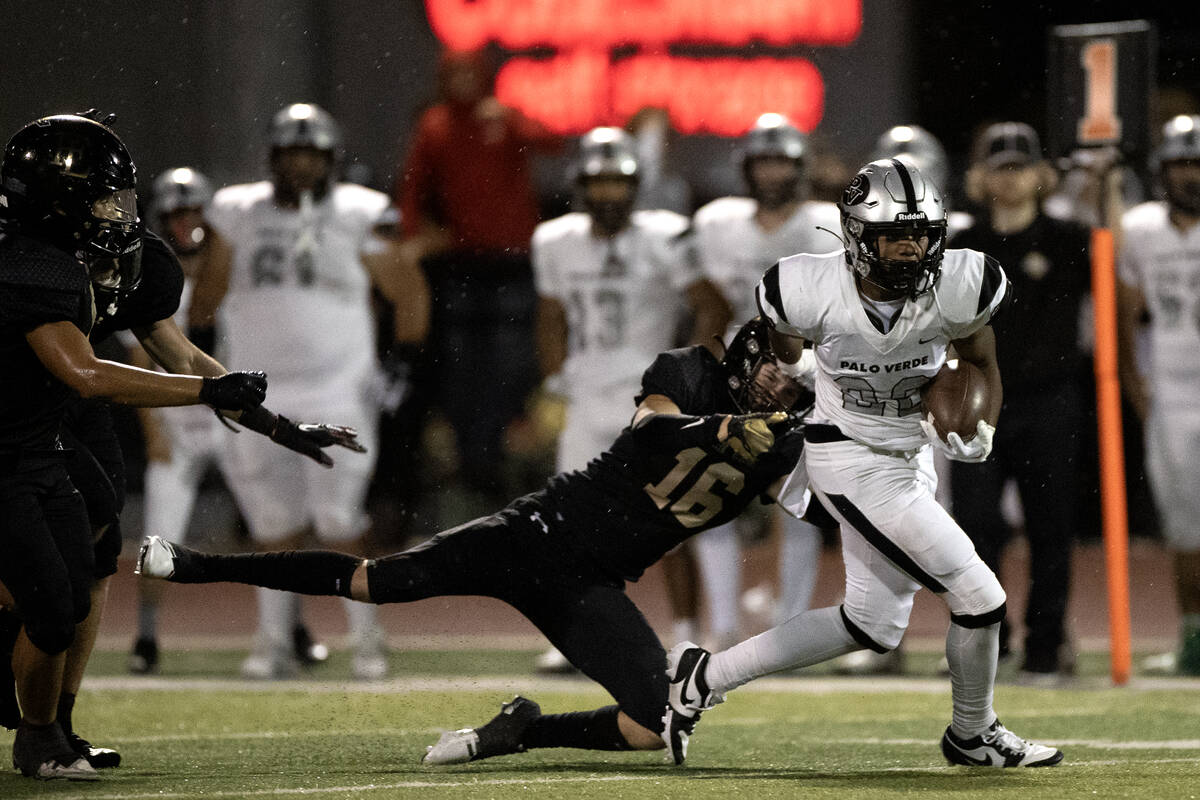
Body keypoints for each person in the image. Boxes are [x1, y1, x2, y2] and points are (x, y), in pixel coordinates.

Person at [135, 319, 814, 767]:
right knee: (377, 581)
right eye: (778, 370)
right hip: (536, 534)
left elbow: (815, 495)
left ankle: (521, 730)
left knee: (653, 723)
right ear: (748, 351)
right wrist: (720, 432)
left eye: (796, 383)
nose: (781, 386)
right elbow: (650, 433)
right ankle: (198, 564)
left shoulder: (781, 449)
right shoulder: (688, 372)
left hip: (589, 582)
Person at [664, 159, 1065, 768]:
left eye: (922, 235)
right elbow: (783, 350)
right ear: (854, 236)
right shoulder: (804, 287)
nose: (910, 249)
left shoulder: (962, 283)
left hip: (911, 455)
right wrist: (793, 373)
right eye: (893, 237)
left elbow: (981, 360)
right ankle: (972, 732)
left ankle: (704, 677)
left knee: (871, 623)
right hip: (847, 457)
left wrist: (982, 423)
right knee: (980, 598)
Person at [0, 113, 269, 781]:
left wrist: (260, 411)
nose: (120, 212)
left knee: (86, 564)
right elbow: (89, 375)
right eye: (103, 198)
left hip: (43, 436)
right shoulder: (28, 269)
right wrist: (208, 396)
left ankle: (48, 731)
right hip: (10, 445)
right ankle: (35, 717)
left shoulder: (88, 259)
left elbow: (163, 344)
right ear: (58, 204)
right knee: (46, 599)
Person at [205, 102, 429, 680]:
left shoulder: (360, 212)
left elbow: (409, 293)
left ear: (331, 160)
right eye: (292, 154)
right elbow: (206, 297)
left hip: (337, 386)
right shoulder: (235, 211)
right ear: (273, 158)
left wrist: (402, 363)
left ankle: (367, 640)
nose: (301, 166)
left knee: (338, 519)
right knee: (271, 524)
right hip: (256, 391)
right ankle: (275, 640)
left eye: (312, 155)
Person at [529, 127, 729, 673]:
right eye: (600, 183)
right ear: (580, 185)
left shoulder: (666, 235)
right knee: (569, 524)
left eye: (619, 184)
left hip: (651, 397)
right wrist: (554, 378)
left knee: (669, 519)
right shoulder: (554, 240)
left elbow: (710, 307)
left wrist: (690, 374)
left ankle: (687, 635)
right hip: (587, 392)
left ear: (637, 187)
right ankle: (574, 635)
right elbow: (549, 317)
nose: (610, 194)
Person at [127, 168, 328, 675]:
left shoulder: (236, 273)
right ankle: (145, 638)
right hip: (177, 423)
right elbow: (140, 367)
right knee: (159, 537)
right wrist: (155, 435)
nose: (186, 223)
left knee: (274, 528)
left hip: (230, 421)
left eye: (194, 213)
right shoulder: (148, 277)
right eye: (176, 214)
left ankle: (291, 628)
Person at [687, 112, 839, 650]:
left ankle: (791, 624)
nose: (773, 173)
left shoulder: (831, 222)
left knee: (798, 498)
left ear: (801, 168)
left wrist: (810, 369)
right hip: (736, 368)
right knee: (710, 496)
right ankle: (723, 627)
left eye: (782, 161)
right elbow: (707, 301)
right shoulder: (717, 223)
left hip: (813, 372)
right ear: (745, 168)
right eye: (763, 161)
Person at [950, 122, 1092, 681]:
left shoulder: (1069, 238)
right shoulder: (961, 246)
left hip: (1051, 401)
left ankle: (1045, 647)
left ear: (1041, 175)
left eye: (1018, 167)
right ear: (978, 177)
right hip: (980, 400)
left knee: (1050, 527)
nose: (1008, 179)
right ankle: (991, 642)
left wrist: (1102, 186)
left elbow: (1115, 252)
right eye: (998, 167)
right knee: (974, 527)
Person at [396, 48, 563, 500]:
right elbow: (414, 186)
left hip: (511, 262)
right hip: (463, 265)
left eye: (471, 74)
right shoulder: (435, 125)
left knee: (510, 365)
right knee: (461, 366)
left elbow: (553, 141)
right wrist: (415, 236)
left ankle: (491, 455)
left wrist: (513, 119)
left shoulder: (503, 119)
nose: (464, 83)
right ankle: (474, 461)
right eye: (457, 75)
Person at [1119, 114, 1200, 676]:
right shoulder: (1141, 227)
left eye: (1196, 163)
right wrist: (1132, 379)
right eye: (1179, 163)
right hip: (1170, 386)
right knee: (1183, 523)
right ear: (1160, 171)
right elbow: (1125, 315)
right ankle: (1193, 636)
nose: (1189, 174)